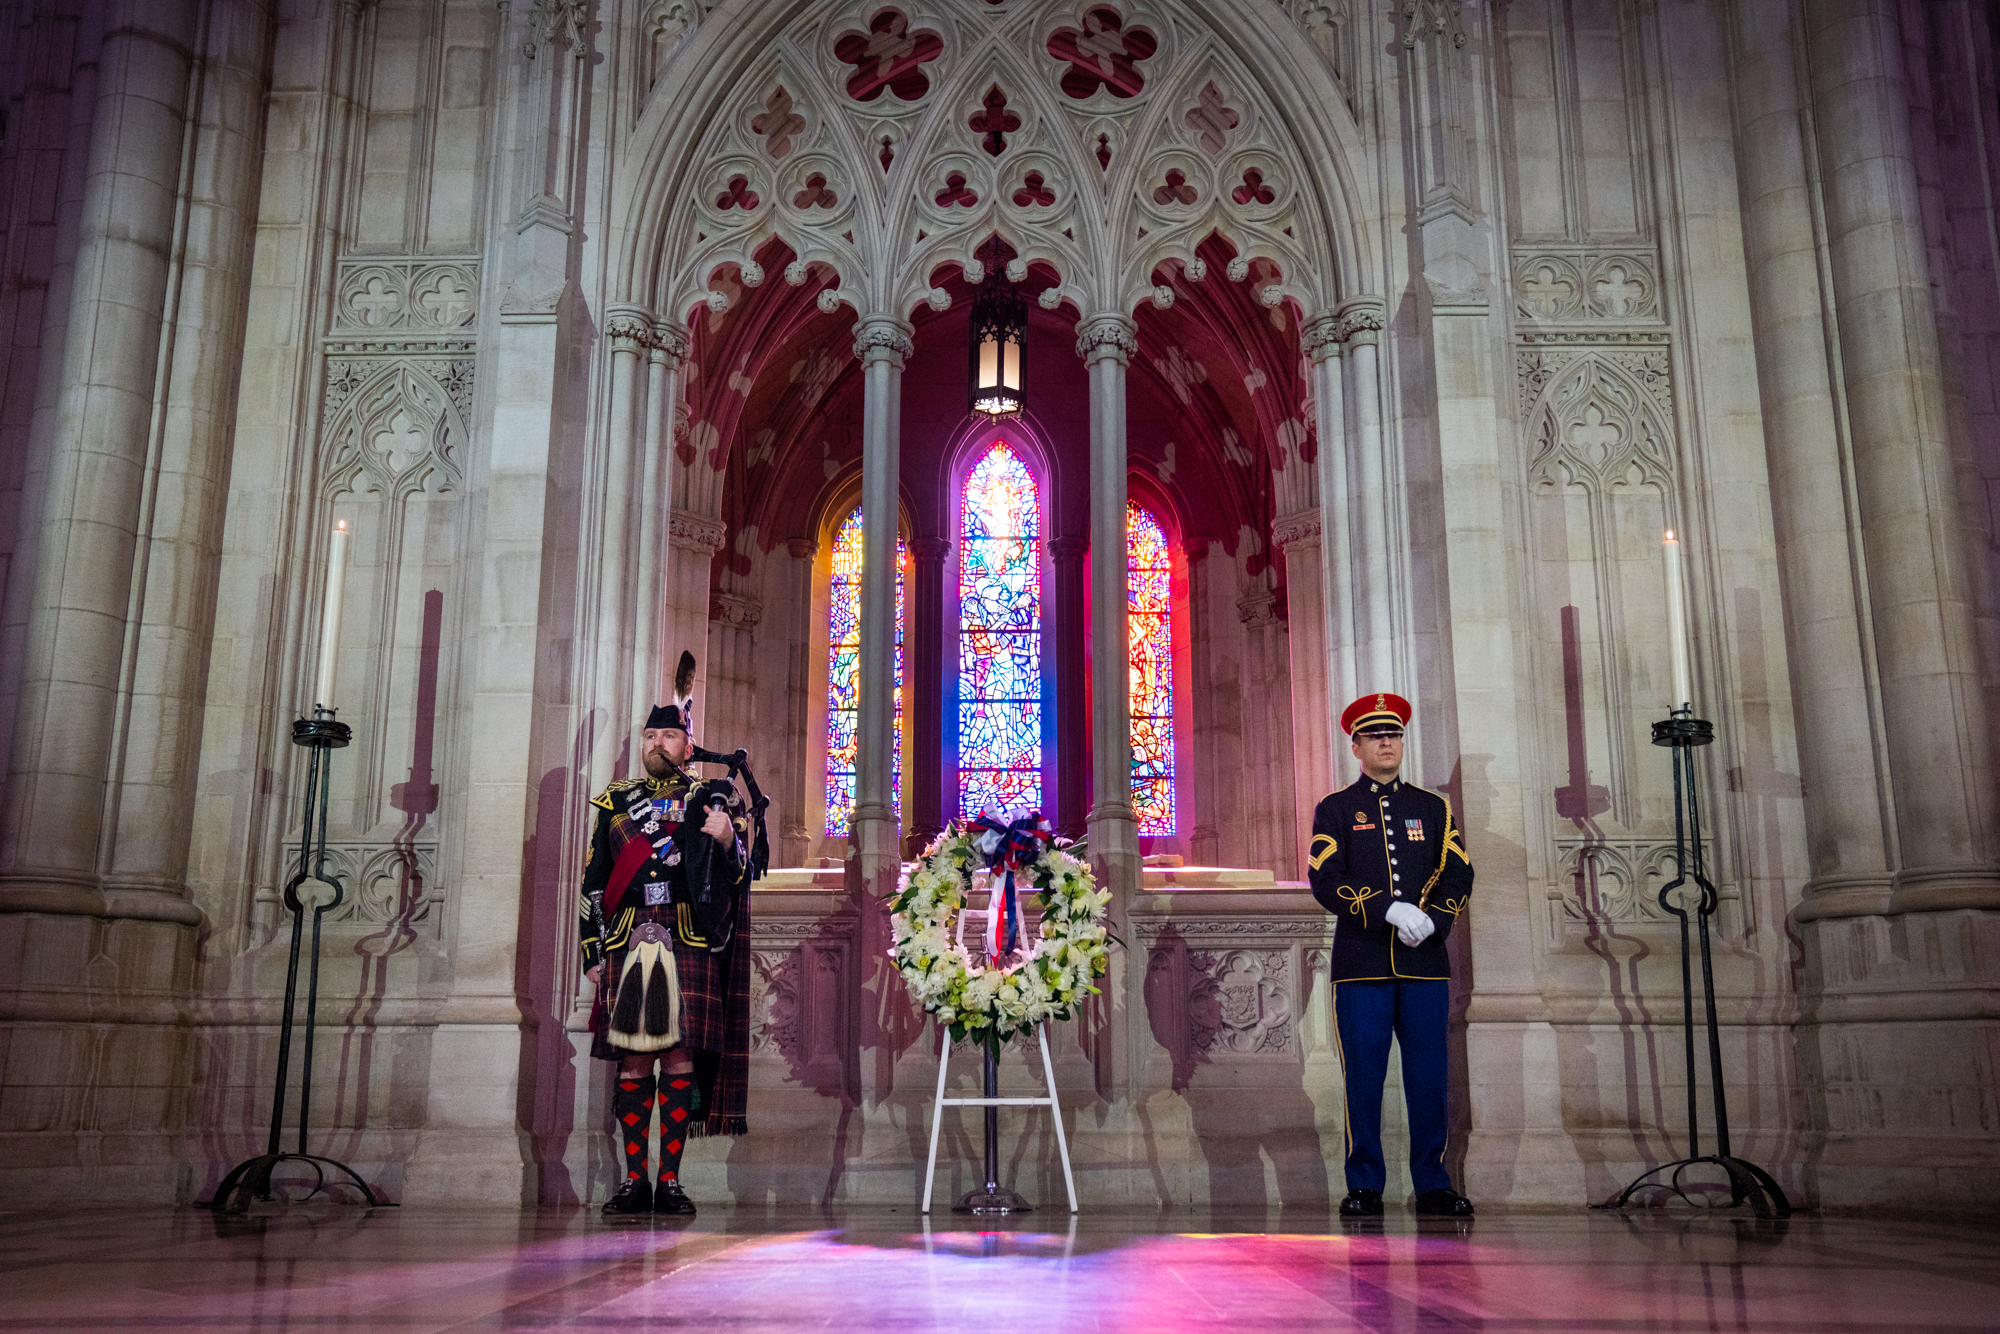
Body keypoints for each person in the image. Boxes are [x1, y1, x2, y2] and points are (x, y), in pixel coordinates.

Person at [579, 653, 754, 1217]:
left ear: (688, 742)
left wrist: (728, 840)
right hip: (628, 939)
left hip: (686, 939)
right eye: (649, 734)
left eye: (668, 735)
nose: (656, 743)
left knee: (678, 1060)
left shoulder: (712, 799)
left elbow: (744, 872)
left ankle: (671, 1182)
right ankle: (635, 1181)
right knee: (633, 1063)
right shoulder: (614, 803)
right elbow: (592, 882)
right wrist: (591, 953)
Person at [1308, 692, 1475, 1219]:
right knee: (1363, 1077)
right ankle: (1365, 1185)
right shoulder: (1335, 809)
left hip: (1424, 963)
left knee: (1429, 1076)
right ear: (1355, 745)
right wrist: (1387, 910)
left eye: (1395, 734)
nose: (1388, 742)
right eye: (1376, 735)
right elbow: (1324, 879)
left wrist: (1435, 918)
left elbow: (1458, 871)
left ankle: (1433, 1183)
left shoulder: (1432, 807)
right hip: (1362, 964)